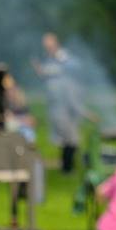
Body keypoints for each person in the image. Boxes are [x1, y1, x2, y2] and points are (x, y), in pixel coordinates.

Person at [34, 32, 89, 174]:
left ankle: (68, 167)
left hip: (68, 104)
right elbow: (47, 78)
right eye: (46, 46)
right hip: (56, 105)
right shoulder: (48, 61)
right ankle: (66, 166)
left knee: (71, 137)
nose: (48, 48)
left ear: (56, 44)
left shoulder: (65, 58)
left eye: (50, 45)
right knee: (63, 138)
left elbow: (74, 72)